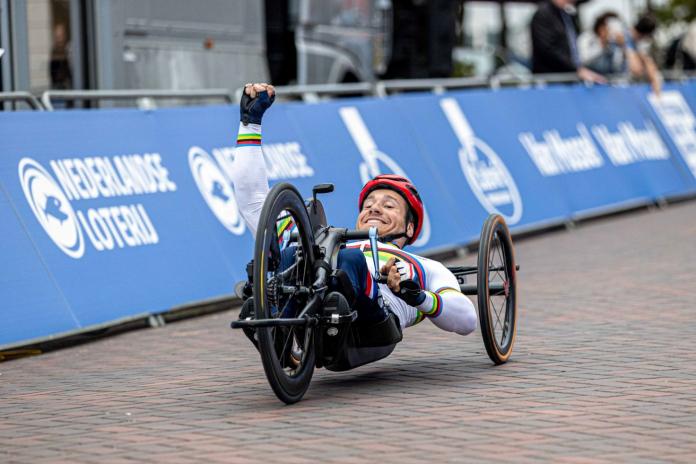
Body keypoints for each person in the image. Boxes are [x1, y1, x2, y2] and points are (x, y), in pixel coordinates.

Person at [232, 83, 478, 351]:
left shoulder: (425, 266)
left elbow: (467, 320)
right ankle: (278, 322)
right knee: (295, 253)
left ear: (409, 228)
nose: (375, 208)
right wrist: (250, 124)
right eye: (369, 204)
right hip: (316, 292)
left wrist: (418, 296)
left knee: (351, 259)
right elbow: (256, 203)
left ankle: (308, 315)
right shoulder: (328, 242)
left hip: (375, 322)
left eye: (389, 206)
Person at [530, 0, 606, 84]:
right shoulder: (544, 14)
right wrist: (576, 69)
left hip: (568, 78)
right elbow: (547, 50)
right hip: (551, 81)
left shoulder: (567, 15)